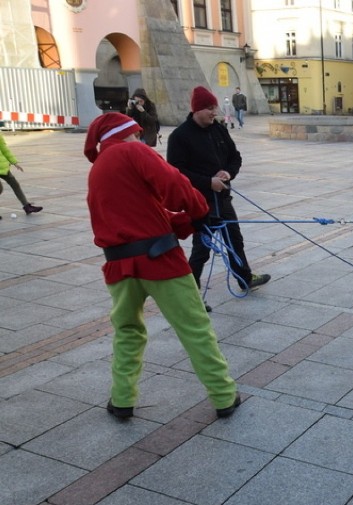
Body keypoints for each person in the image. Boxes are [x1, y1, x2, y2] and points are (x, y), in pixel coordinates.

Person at [84, 112, 241, 420]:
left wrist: (187, 222)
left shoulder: (99, 168)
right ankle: (224, 397)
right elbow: (175, 184)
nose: (142, 138)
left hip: (119, 266)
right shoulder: (133, 151)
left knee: (128, 332)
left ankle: (122, 400)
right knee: (195, 328)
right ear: (127, 132)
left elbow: (140, 215)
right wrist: (201, 209)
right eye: (137, 132)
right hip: (161, 262)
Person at [166, 86, 270, 305]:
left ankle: (245, 278)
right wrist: (207, 182)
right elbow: (175, 172)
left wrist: (228, 172)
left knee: (235, 240)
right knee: (202, 249)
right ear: (196, 110)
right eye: (209, 108)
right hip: (199, 201)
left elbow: (235, 157)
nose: (214, 112)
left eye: (214, 107)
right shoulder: (180, 136)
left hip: (223, 198)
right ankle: (190, 294)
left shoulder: (219, 130)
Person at [0, 132, 43, 218]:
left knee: (15, 185)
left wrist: (14, 162)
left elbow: (4, 149)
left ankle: (27, 206)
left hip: (3, 166)